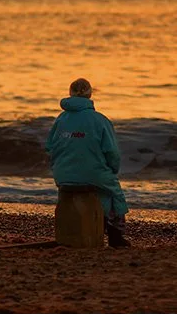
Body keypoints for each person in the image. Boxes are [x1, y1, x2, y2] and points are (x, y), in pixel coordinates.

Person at [45, 78, 131, 247]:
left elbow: (50, 147)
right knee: (114, 193)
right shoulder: (100, 120)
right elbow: (112, 152)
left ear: (70, 93)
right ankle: (115, 235)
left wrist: (58, 167)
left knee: (95, 186)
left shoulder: (61, 119)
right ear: (90, 94)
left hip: (62, 173)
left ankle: (84, 225)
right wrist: (113, 170)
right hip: (94, 173)